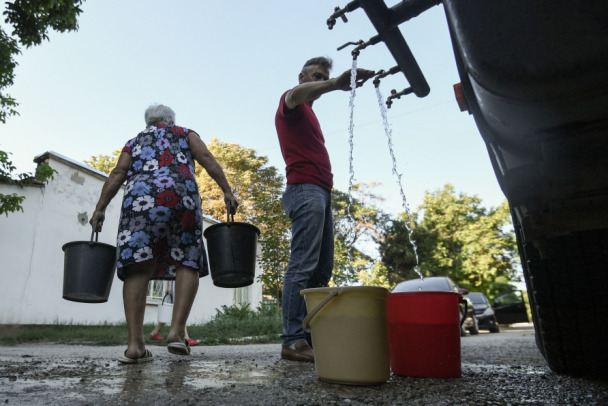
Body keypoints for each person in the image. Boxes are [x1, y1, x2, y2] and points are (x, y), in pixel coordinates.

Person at [90, 104, 238, 364]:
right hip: (182, 197)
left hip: (140, 202)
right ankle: (177, 332)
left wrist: (100, 209)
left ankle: (135, 346)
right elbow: (206, 157)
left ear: (148, 122)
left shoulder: (133, 142)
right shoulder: (185, 133)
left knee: (138, 267)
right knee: (187, 259)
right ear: (171, 121)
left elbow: (117, 174)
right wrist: (226, 189)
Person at [274, 57, 374, 362]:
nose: (320, 80)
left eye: (324, 76)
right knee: (303, 264)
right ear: (302, 77)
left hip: (321, 192)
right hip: (304, 189)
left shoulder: (310, 114)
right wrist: (334, 84)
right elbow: (295, 95)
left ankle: (308, 335)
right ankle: (291, 339)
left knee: (322, 269)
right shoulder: (290, 101)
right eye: (316, 76)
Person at [148, 280, 200, 347]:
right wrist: (169, 286)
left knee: (169, 313)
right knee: (181, 311)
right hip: (175, 284)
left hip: (178, 283)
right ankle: (186, 338)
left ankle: (154, 333)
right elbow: (173, 271)